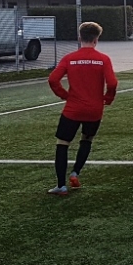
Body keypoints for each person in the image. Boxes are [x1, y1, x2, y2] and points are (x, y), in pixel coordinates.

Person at [46, 22, 118, 195]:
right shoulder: (103, 59)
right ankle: (75, 172)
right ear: (96, 39)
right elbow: (112, 83)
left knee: (63, 143)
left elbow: (53, 79)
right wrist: (108, 98)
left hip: (73, 108)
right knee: (87, 139)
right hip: (94, 109)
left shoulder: (70, 58)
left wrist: (64, 95)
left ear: (79, 38)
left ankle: (61, 185)